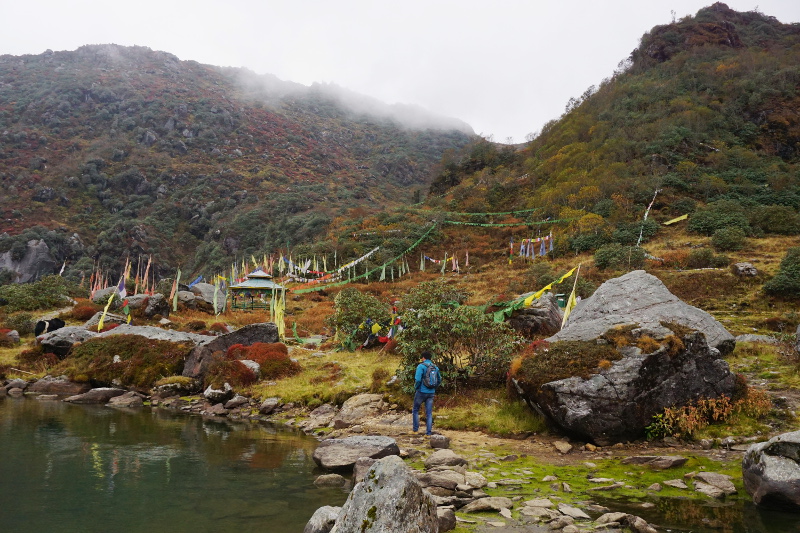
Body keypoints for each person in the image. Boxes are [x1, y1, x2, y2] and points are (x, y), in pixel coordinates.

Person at [412, 351, 437, 435]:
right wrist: (434, 388)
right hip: (431, 392)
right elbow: (439, 379)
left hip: (421, 391)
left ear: (423, 358)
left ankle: (415, 430)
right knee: (429, 413)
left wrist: (416, 388)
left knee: (415, 410)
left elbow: (418, 379)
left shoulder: (421, 366)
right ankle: (428, 433)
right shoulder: (435, 367)